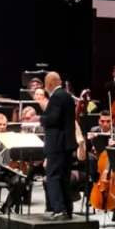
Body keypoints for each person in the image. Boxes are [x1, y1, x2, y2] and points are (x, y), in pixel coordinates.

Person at [41, 72, 76, 219]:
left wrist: (41, 118)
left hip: (57, 144)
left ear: (49, 84)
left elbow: (53, 119)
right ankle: (67, 209)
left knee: (53, 176)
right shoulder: (67, 96)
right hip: (66, 144)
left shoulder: (56, 96)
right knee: (64, 177)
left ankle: (59, 209)